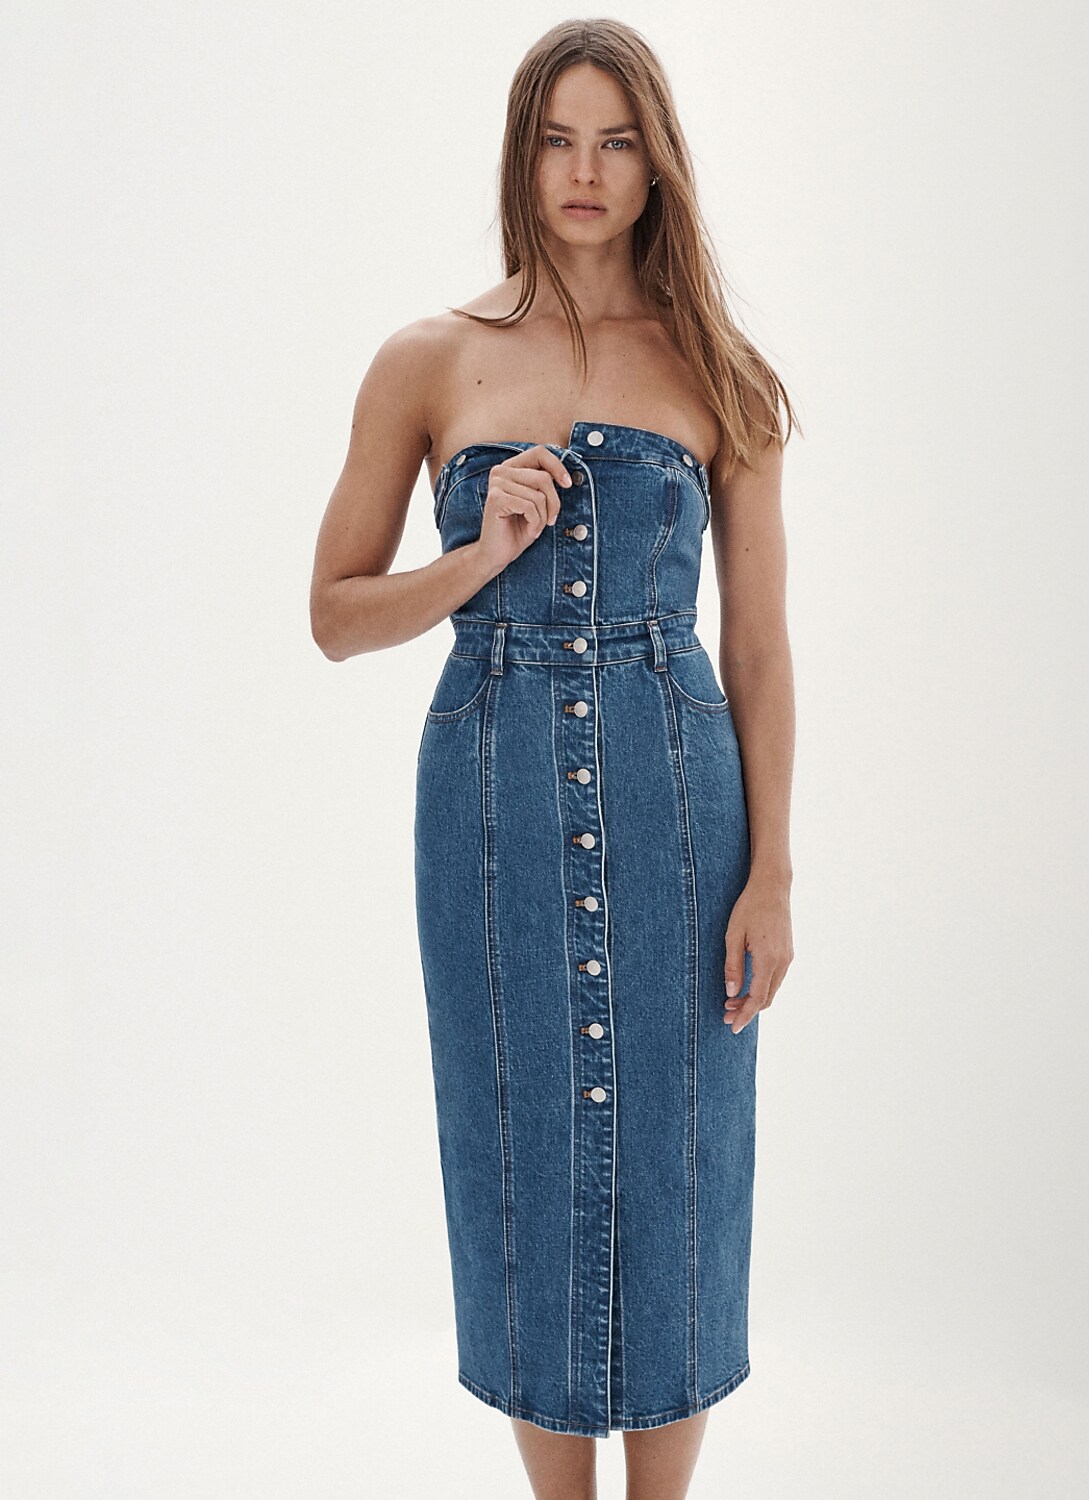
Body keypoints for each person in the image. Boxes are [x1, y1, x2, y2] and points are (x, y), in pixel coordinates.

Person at [310, 19, 798, 1500]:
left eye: (617, 140)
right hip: (492, 798)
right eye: (557, 138)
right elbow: (334, 617)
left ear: (658, 165)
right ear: (522, 154)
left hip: (678, 795)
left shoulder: (720, 371)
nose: (585, 172)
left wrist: (773, 868)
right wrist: (480, 554)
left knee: (678, 1163)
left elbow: (763, 648)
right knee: (522, 1142)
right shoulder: (428, 358)